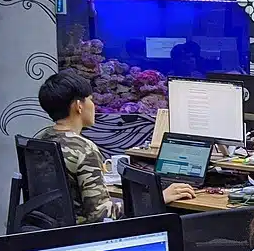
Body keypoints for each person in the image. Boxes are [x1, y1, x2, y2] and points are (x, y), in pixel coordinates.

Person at [34, 70, 194, 224]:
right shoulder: (85, 149)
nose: (94, 105)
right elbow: (101, 214)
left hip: (48, 229)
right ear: (78, 106)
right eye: (91, 100)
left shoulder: (41, 139)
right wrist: (158, 197)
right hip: (81, 234)